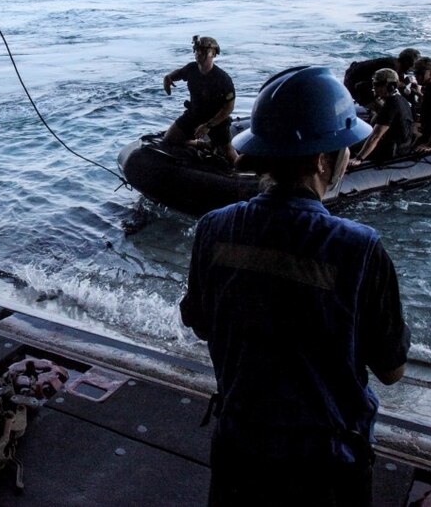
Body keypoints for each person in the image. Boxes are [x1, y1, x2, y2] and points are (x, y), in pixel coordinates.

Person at [179, 65, 410, 506]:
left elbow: (202, 324)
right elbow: (391, 370)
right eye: (345, 147)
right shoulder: (360, 249)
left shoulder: (213, 229)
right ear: (324, 160)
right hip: (326, 465)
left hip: (238, 449)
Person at [162, 35, 238, 164]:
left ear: (213, 53)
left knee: (228, 152)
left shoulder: (222, 79)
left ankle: (248, 176)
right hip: (194, 114)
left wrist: (208, 125)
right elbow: (178, 73)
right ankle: (204, 145)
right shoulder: (192, 68)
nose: (198, 53)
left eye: (202, 50)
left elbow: (228, 108)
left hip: (216, 120)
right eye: (196, 50)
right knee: (170, 139)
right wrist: (168, 78)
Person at [350, 68, 415, 165]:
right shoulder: (401, 99)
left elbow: (376, 136)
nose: (374, 88)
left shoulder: (391, 105)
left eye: (377, 85)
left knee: (348, 146)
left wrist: (359, 158)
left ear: (390, 86)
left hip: (393, 150)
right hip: (402, 145)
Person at [343, 48, 419, 108]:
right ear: (407, 62)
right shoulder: (393, 66)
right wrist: (404, 83)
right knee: (383, 108)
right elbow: (391, 84)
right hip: (355, 82)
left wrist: (414, 101)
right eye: (413, 66)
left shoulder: (399, 68)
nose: (413, 69)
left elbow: (401, 90)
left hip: (356, 79)